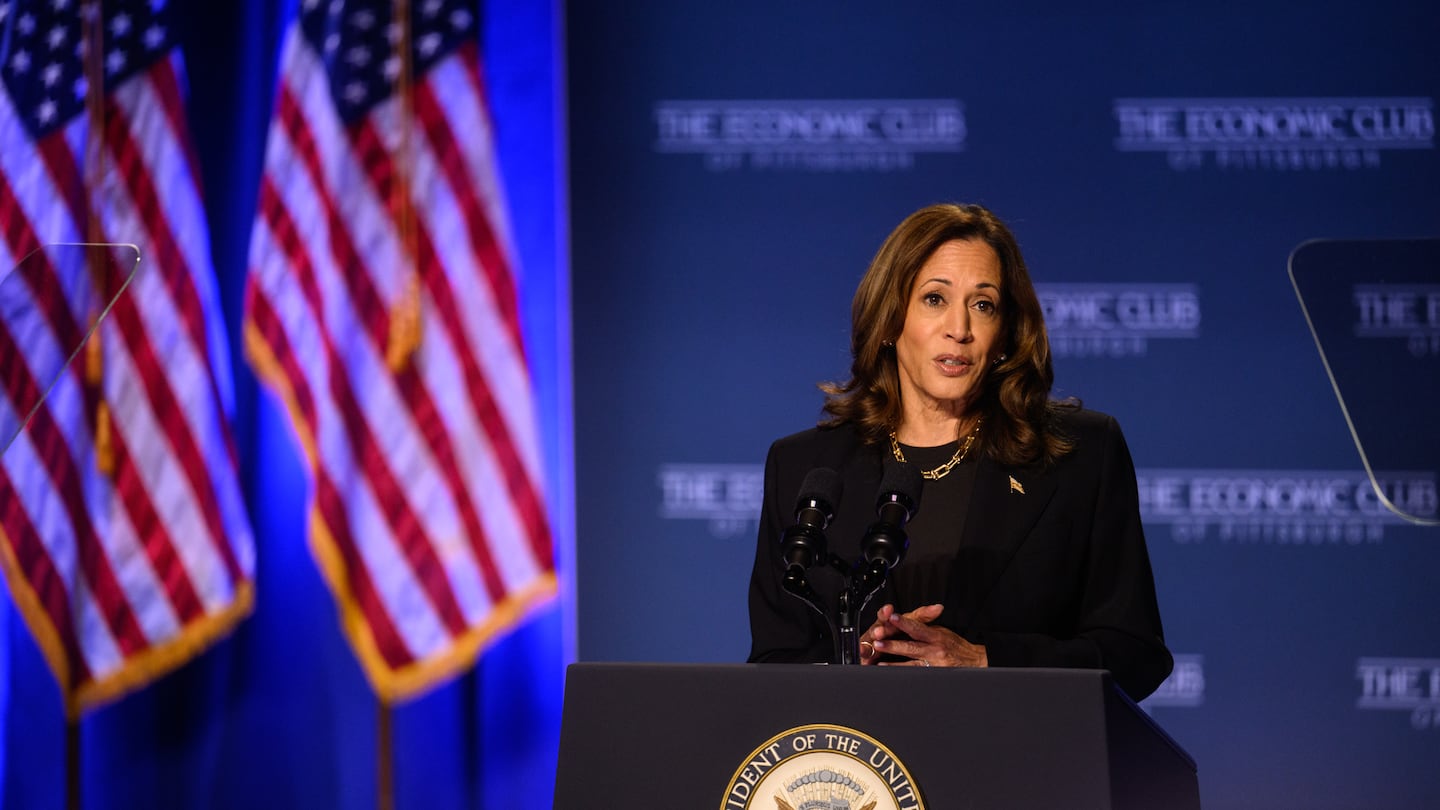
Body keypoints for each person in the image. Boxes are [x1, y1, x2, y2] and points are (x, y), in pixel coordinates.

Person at [746, 202, 1172, 701]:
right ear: (889, 320)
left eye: (983, 304)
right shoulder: (803, 468)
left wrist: (983, 660)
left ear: (1006, 333)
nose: (960, 328)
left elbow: (1135, 654)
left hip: (1021, 764)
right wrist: (848, 661)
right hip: (861, 769)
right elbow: (773, 663)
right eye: (934, 299)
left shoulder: (1080, 455)